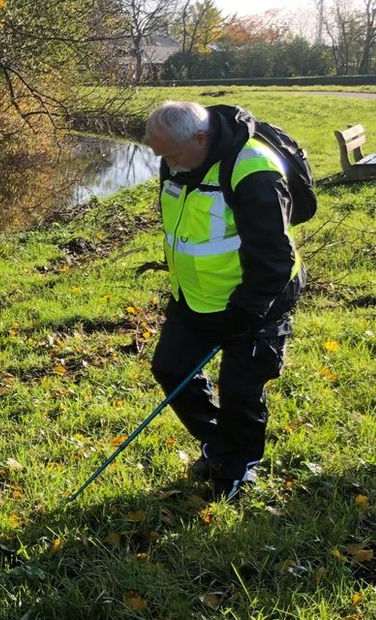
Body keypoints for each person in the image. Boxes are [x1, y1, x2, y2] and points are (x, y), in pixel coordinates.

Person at [144, 101, 304, 501]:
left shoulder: (253, 170)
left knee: (241, 390)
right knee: (171, 369)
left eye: (171, 154)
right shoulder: (179, 157)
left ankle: (237, 468)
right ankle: (220, 442)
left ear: (200, 138)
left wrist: (246, 311)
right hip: (194, 298)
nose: (166, 164)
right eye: (159, 154)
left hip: (256, 301)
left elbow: (274, 256)